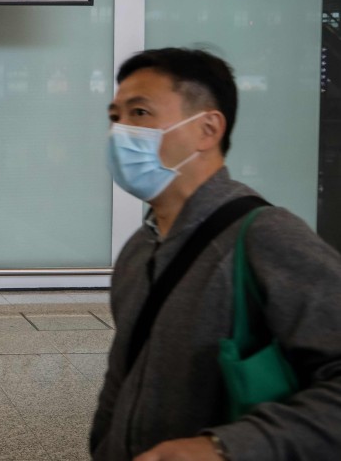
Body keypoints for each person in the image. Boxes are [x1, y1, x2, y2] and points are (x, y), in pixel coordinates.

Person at [92, 48, 341, 461]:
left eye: (139, 113)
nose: (120, 131)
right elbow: (124, 375)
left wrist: (224, 447)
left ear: (208, 128)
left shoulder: (266, 236)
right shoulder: (140, 248)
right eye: (115, 117)